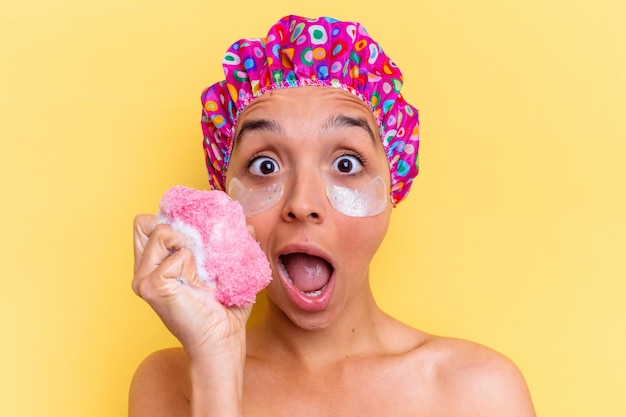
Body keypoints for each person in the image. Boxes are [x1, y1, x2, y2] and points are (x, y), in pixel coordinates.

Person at [129, 15, 536, 417]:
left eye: (345, 164)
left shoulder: (478, 392)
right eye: (265, 166)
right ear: (222, 202)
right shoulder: (175, 381)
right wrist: (215, 363)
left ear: (394, 185)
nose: (303, 202)